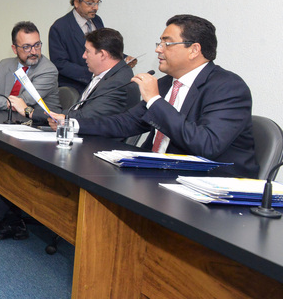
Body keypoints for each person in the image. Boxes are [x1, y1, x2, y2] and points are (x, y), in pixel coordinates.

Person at [0, 28, 136, 240]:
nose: (83, 56)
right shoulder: (107, 76)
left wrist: (46, 116)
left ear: (103, 54)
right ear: (15, 48)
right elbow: (79, 113)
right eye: (27, 46)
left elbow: (84, 117)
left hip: (93, 151)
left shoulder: (118, 81)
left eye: (87, 51)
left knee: (21, 159)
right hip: (74, 135)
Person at [60, 14, 258, 177]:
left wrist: (155, 101)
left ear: (194, 50)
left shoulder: (228, 87)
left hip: (210, 186)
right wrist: (71, 124)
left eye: (167, 43)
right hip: (159, 175)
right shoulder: (166, 83)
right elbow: (124, 123)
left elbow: (206, 144)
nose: (158, 49)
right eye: (159, 42)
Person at [0, 21, 61, 116]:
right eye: (26, 47)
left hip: (39, 123)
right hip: (6, 118)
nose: (34, 51)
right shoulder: (4, 65)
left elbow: (21, 102)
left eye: (37, 45)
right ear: (14, 49)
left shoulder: (48, 70)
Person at [48, 0, 106, 93]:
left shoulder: (97, 21)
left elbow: (104, 47)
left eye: (97, 3)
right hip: (75, 88)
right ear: (76, 3)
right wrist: (92, 74)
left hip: (99, 85)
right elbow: (60, 63)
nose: (96, 7)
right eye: (90, 3)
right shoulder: (60, 27)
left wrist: (124, 58)